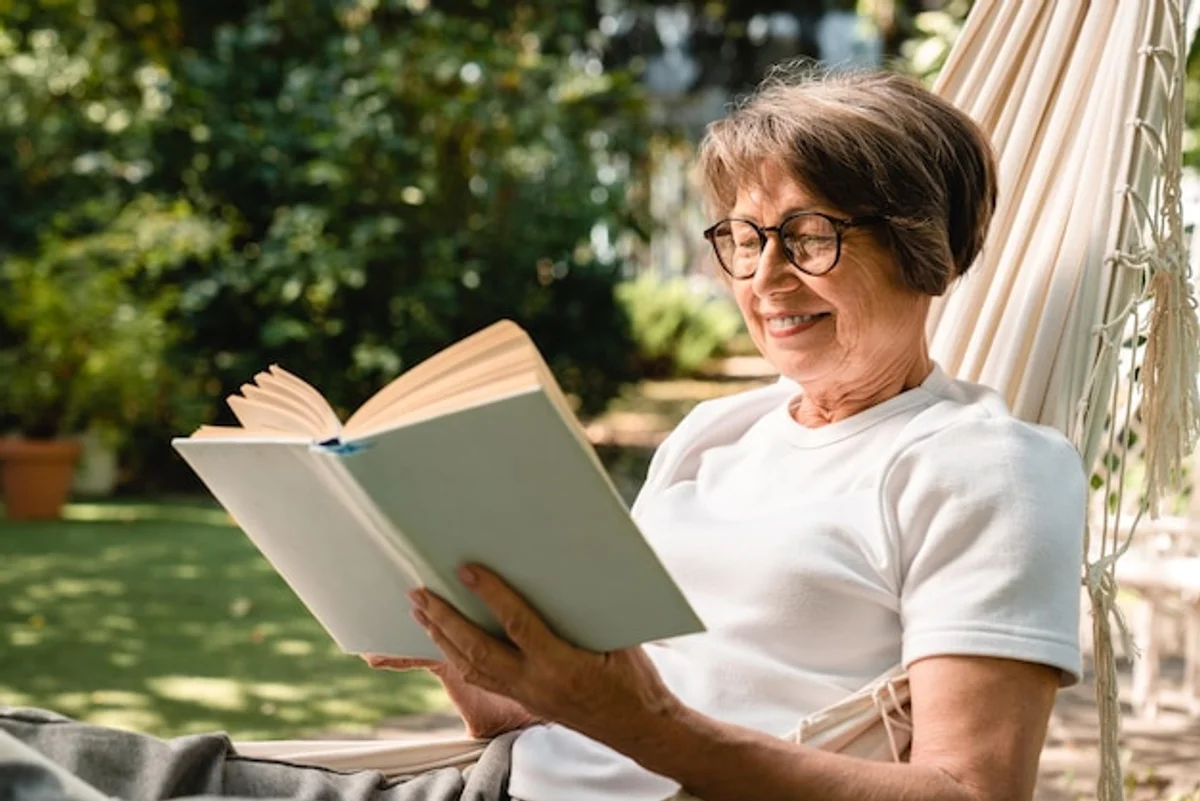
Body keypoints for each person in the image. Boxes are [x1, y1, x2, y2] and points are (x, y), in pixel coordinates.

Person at [1, 66, 1085, 801]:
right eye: (742, 239)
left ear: (923, 244)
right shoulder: (716, 433)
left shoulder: (988, 467)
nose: (764, 280)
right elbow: (581, 720)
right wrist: (473, 663)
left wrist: (638, 726)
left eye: (807, 236)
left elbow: (969, 792)